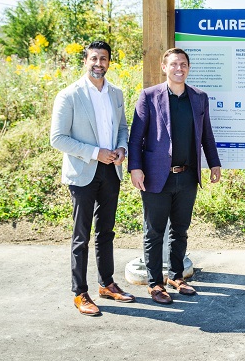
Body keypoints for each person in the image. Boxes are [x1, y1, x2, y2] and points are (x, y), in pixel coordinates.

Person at [128, 48, 222, 304]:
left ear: (188, 68)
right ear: (164, 67)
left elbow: (206, 135)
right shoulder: (149, 96)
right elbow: (136, 137)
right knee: (154, 232)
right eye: (173, 64)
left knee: (180, 230)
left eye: (183, 64)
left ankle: (176, 276)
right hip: (156, 177)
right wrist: (135, 168)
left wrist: (214, 163)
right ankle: (155, 283)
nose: (178, 68)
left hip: (187, 177)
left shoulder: (199, 98)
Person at [50, 40, 135, 316]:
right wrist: (96, 153)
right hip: (83, 172)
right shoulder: (69, 95)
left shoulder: (116, 93)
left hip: (111, 170)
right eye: (94, 59)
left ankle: (107, 283)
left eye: (104, 59)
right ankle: (80, 292)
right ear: (85, 61)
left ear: (109, 62)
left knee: (106, 232)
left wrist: (122, 148)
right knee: (81, 235)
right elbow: (58, 138)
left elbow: (122, 127)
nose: (99, 63)